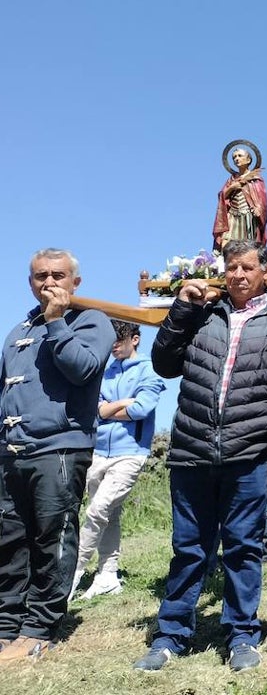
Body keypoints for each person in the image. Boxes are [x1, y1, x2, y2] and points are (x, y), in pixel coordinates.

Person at [133, 240, 267, 673]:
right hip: (193, 450)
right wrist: (181, 309)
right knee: (188, 548)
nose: (238, 274)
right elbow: (163, 363)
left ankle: (242, 635)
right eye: (231, 267)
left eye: (247, 267)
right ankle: (171, 633)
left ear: (265, 273)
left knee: (243, 548)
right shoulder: (200, 318)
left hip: (250, 454)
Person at [0, 249, 115, 663]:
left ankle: (39, 627)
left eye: (58, 275)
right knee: (9, 541)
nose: (48, 282)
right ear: (29, 280)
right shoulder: (17, 331)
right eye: (39, 276)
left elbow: (82, 369)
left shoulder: (92, 322)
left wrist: (55, 322)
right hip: (12, 453)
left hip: (60, 450)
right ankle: (6, 625)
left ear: (75, 282)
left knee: (52, 539)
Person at [72, 321, 166, 600]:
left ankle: (71, 575)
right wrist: (123, 403)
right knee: (109, 515)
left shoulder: (150, 370)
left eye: (119, 339)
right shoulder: (106, 370)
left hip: (130, 453)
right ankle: (108, 575)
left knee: (96, 511)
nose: (113, 345)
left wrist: (115, 407)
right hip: (99, 452)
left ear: (135, 340)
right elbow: (97, 409)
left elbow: (141, 408)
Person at [213, 143, 267, 252]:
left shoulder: (256, 179)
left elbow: (262, 201)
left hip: (248, 216)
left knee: (247, 247)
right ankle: (223, 265)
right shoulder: (232, 180)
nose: (236, 159)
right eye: (234, 157)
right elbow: (222, 195)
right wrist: (232, 187)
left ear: (248, 160)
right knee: (226, 244)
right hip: (232, 215)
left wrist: (258, 209)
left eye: (239, 156)